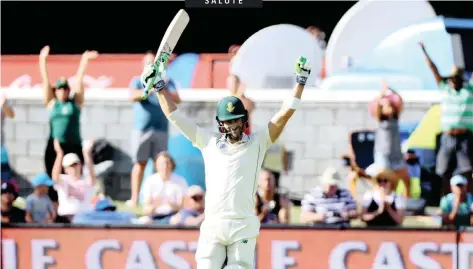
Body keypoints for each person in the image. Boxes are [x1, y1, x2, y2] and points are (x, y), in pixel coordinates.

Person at [140, 56, 311, 269]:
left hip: (243, 226)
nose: (233, 126)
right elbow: (175, 116)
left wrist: (300, 83)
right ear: (221, 124)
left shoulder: (258, 142)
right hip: (214, 226)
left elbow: (284, 115)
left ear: (244, 119)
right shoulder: (207, 142)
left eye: (237, 120)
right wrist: (159, 87)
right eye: (229, 122)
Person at [127, 51, 181, 207]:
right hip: (142, 129)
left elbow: (177, 98)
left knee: (162, 165)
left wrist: (160, 86)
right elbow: (133, 96)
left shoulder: (166, 80)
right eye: (148, 63)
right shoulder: (138, 80)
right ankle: (135, 199)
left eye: (153, 63)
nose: (151, 66)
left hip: (161, 128)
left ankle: (159, 200)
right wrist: (150, 87)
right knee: (140, 163)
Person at [419, 42, 473, 194]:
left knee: (467, 170)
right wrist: (424, 51)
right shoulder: (445, 89)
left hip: (464, 137)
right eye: (452, 78)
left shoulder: (469, 90)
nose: (453, 81)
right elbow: (433, 69)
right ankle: (445, 200)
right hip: (447, 135)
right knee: (444, 171)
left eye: (456, 78)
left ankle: (469, 202)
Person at [40, 45, 98, 177]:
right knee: (54, 178)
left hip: (74, 145)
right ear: (56, 90)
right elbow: (45, 80)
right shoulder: (52, 103)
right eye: (60, 88)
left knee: (75, 177)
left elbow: (79, 80)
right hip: (55, 146)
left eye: (65, 88)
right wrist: (43, 60)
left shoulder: (75, 102)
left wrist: (84, 60)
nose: (63, 91)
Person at [372, 81, 410, 197]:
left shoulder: (395, 118)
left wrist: (392, 91)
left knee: (405, 178)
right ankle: (381, 199)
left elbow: (400, 102)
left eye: (390, 105)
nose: (389, 108)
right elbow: (377, 106)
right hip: (383, 155)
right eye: (386, 106)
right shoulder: (380, 119)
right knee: (383, 179)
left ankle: (406, 201)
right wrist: (382, 95)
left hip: (396, 154)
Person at [51, 138, 96, 220]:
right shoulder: (63, 180)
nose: (74, 168)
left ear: (80, 165)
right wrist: (59, 153)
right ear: (65, 169)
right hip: (66, 217)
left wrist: (87, 153)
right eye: (71, 166)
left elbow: (92, 173)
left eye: (76, 164)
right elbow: (55, 176)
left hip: (85, 218)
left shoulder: (86, 180)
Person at [141, 151, 188, 223]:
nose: (165, 166)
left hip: (173, 216)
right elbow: (146, 209)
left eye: (167, 163)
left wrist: (171, 205)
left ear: (172, 165)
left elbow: (183, 207)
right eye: (161, 163)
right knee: (144, 221)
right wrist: (155, 206)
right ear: (156, 165)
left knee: (177, 220)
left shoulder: (180, 181)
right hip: (154, 216)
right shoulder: (150, 181)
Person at [1, 92, 15, 181]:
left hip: (1, 150)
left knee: (5, 184)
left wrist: (3, 105)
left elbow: (11, 115)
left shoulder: (1, 96)